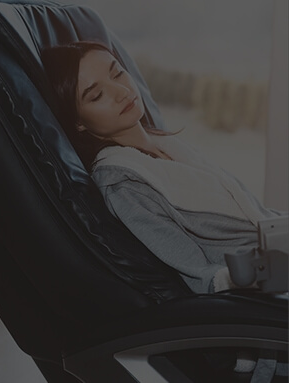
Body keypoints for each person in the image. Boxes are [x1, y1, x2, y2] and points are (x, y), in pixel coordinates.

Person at [41, 41, 285, 294]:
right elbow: (197, 273)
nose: (121, 91)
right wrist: (255, 272)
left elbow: (254, 214)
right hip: (261, 286)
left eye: (117, 73)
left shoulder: (170, 148)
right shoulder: (123, 184)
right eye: (96, 95)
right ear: (78, 122)